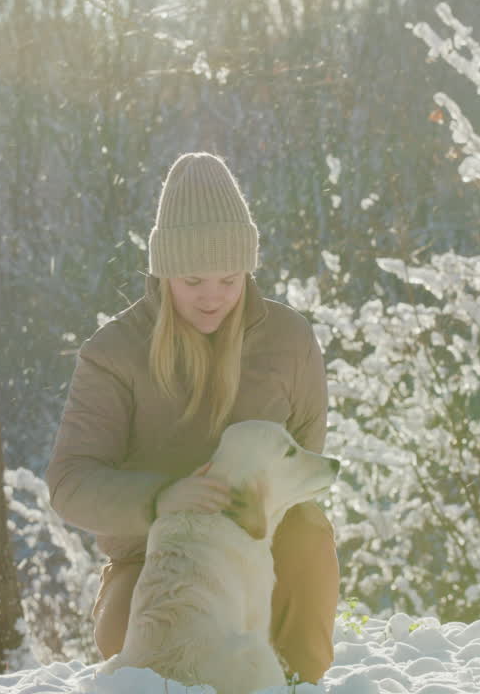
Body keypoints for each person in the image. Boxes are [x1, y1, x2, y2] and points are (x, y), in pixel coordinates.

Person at [46, 152, 339, 683]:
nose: (212, 298)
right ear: (162, 274)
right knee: (148, 665)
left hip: (264, 548)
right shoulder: (114, 352)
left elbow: (301, 463)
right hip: (155, 559)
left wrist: (245, 527)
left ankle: (296, 680)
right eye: (192, 280)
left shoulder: (288, 339)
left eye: (230, 280)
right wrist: (161, 499)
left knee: (308, 532)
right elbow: (71, 482)